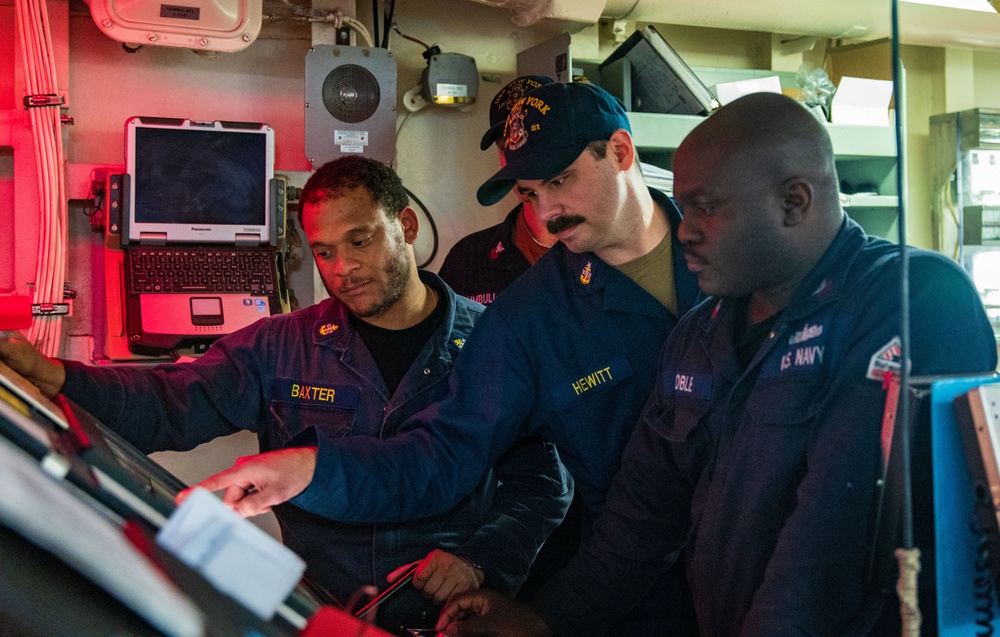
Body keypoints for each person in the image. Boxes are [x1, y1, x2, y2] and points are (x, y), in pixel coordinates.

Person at [434, 92, 1000, 637]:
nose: (684, 228)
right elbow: (642, 516)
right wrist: (547, 620)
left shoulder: (913, 300)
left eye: (708, 207)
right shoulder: (700, 335)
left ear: (794, 202)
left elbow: (830, 537)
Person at [192, 82, 702, 635]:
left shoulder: (728, 255)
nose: (546, 212)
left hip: (767, 568)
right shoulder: (528, 318)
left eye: (559, 181)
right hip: (638, 593)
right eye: (529, 194)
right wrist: (313, 469)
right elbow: (441, 453)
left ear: (621, 152)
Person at [0, 156, 571, 634]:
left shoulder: (495, 344)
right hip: (323, 613)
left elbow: (542, 483)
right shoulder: (281, 346)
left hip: (456, 617)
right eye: (323, 252)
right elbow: (169, 400)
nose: (341, 268)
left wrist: (479, 561)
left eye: (360, 240)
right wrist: (59, 379)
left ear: (407, 226)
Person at [438, 75, 559, 306]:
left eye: (528, 140)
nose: (519, 159)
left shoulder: (603, 250)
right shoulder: (467, 259)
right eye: (508, 146)